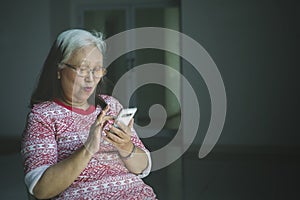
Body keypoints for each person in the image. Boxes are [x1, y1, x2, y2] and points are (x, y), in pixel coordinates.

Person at [21, 29, 157, 199]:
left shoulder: (111, 106)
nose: (91, 78)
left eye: (97, 70)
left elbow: (143, 167)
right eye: (83, 69)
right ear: (59, 69)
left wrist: (126, 146)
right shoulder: (42, 117)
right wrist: (88, 148)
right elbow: (41, 189)